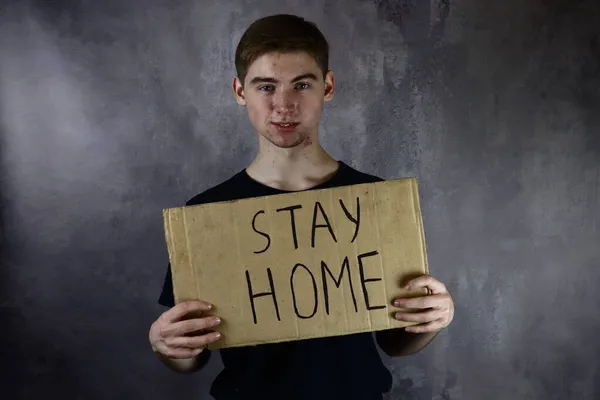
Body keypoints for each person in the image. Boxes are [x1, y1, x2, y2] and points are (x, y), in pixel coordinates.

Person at [149, 13, 454, 400]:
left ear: (327, 86)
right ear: (240, 91)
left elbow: (395, 341)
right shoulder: (207, 214)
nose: (284, 104)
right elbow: (192, 354)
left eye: (301, 85)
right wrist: (165, 343)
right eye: (265, 86)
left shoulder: (375, 201)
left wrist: (430, 321)